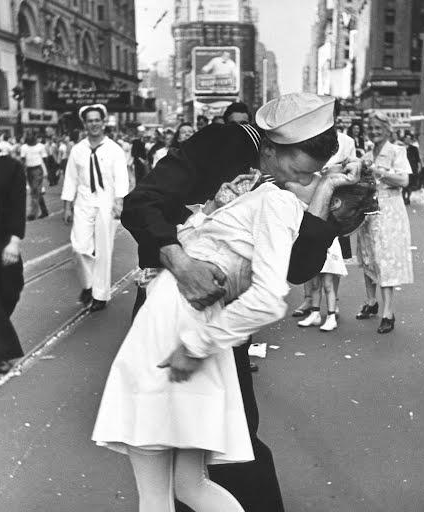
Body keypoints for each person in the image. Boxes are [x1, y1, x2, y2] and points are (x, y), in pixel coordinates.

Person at [119, 93, 348, 512]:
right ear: (273, 146)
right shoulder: (222, 143)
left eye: (311, 177)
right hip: (172, 311)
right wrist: (181, 262)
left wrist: (324, 202)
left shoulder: (288, 190)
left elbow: (295, 270)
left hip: (219, 325)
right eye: (298, 171)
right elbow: (140, 204)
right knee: (183, 459)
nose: (299, 183)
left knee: (221, 446)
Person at [61, 104, 129, 312]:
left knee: (103, 250)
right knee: (79, 247)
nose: (94, 124)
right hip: (83, 201)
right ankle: (88, 285)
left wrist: (119, 202)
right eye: (90, 121)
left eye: (97, 120)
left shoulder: (114, 149)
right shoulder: (78, 150)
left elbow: (121, 178)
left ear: (103, 122)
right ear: (85, 124)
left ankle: (100, 294)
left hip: (106, 203)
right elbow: (71, 179)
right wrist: (67, 206)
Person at [355, 111, 414, 334]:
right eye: (371, 128)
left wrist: (378, 171)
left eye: (378, 128)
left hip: (390, 211)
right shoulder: (367, 154)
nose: (374, 132)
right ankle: (371, 302)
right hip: (369, 211)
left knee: (385, 259)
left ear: (388, 130)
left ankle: (388, 312)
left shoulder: (397, 151)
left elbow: (404, 180)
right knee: (368, 256)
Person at [293, 123, 357, 322]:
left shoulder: (347, 142)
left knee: (331, 264)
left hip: (334, 207)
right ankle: (310, 302)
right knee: (307, 252)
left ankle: (332, 303)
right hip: (310, 200)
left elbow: (351, 170)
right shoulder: (306, 138)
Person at [0, 141, 26, 374]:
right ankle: (1, 352)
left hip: (3, 240)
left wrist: (14, 241)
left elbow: (17, 205)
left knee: (10, 290)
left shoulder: (11, 167)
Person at [20, 133, 49, 221]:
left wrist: (45, 171)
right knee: (36, 192)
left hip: (37, 170)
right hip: (29, 170)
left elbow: (45, 159)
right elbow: (23, 160)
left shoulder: (40, 146)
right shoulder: (24, 147)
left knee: (34, 191)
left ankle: (32, 214)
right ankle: (44, 211)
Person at [402, 132, 422, 205]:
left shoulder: (414, 148)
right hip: (402, 168)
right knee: (403, 184)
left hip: (412, 168)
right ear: (404, 139)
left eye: (409, 139)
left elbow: (418, 159)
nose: (407, 140)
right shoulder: (400, 148)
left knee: (410, 184)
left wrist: (419, 167)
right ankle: (403, 198)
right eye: (406, 138)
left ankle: (408, 198)